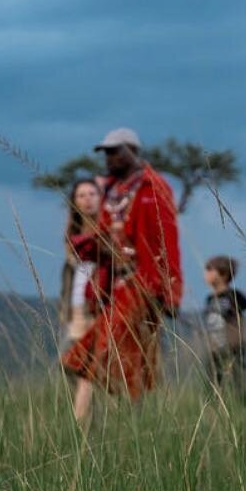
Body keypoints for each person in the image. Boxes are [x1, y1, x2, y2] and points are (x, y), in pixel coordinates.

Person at [61, 128, 183, 422]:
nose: (109, 158)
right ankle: (114, 429)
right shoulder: (114, 189)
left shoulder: (152, 187)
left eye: (115, 151)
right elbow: (105, 235)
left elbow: (166, 241)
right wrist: (87, 247)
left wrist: (170, 290)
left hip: (143, 284)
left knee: (109, 355)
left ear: (132, 150)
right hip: (113, 285)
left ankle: (119, 427)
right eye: (106, 152)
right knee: (113, 358)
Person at [202, 255, 246, 407]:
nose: (205, 274)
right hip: (214, 351)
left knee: (237, 389)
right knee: (212, 390)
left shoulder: (234, 295)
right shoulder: (209, 299)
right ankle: (214, 422)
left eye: (209, 270)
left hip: (233, 349)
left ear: (223, 274)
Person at [59, 179, 104, 343]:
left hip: (98, 308)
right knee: (70, 362)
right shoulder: (72, 234)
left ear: (101, 197)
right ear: (75, 201)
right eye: (81, 195)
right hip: (75, 309)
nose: (88, 199)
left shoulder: (108, 234)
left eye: (92, 194)